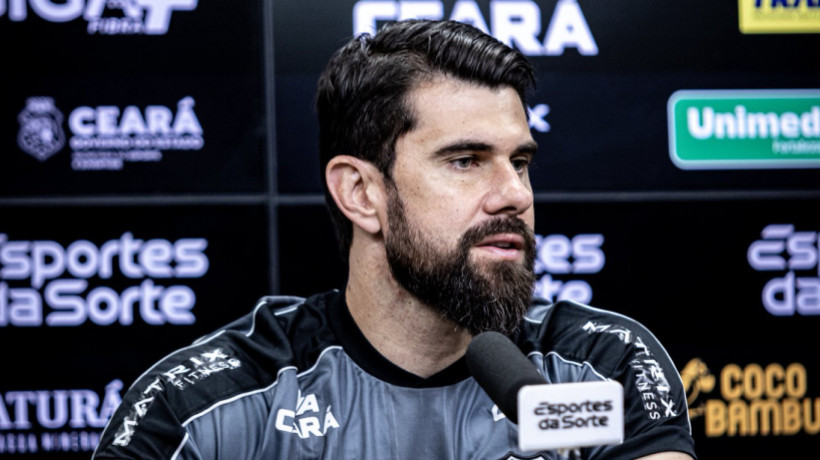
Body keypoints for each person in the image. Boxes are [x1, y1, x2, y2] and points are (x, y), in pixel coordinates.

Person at [93, 20, 697, 460]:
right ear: (361, 193)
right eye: (465, 160)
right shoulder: (211, 405)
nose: (515, 194)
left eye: (520, 162)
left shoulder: (594, 370)